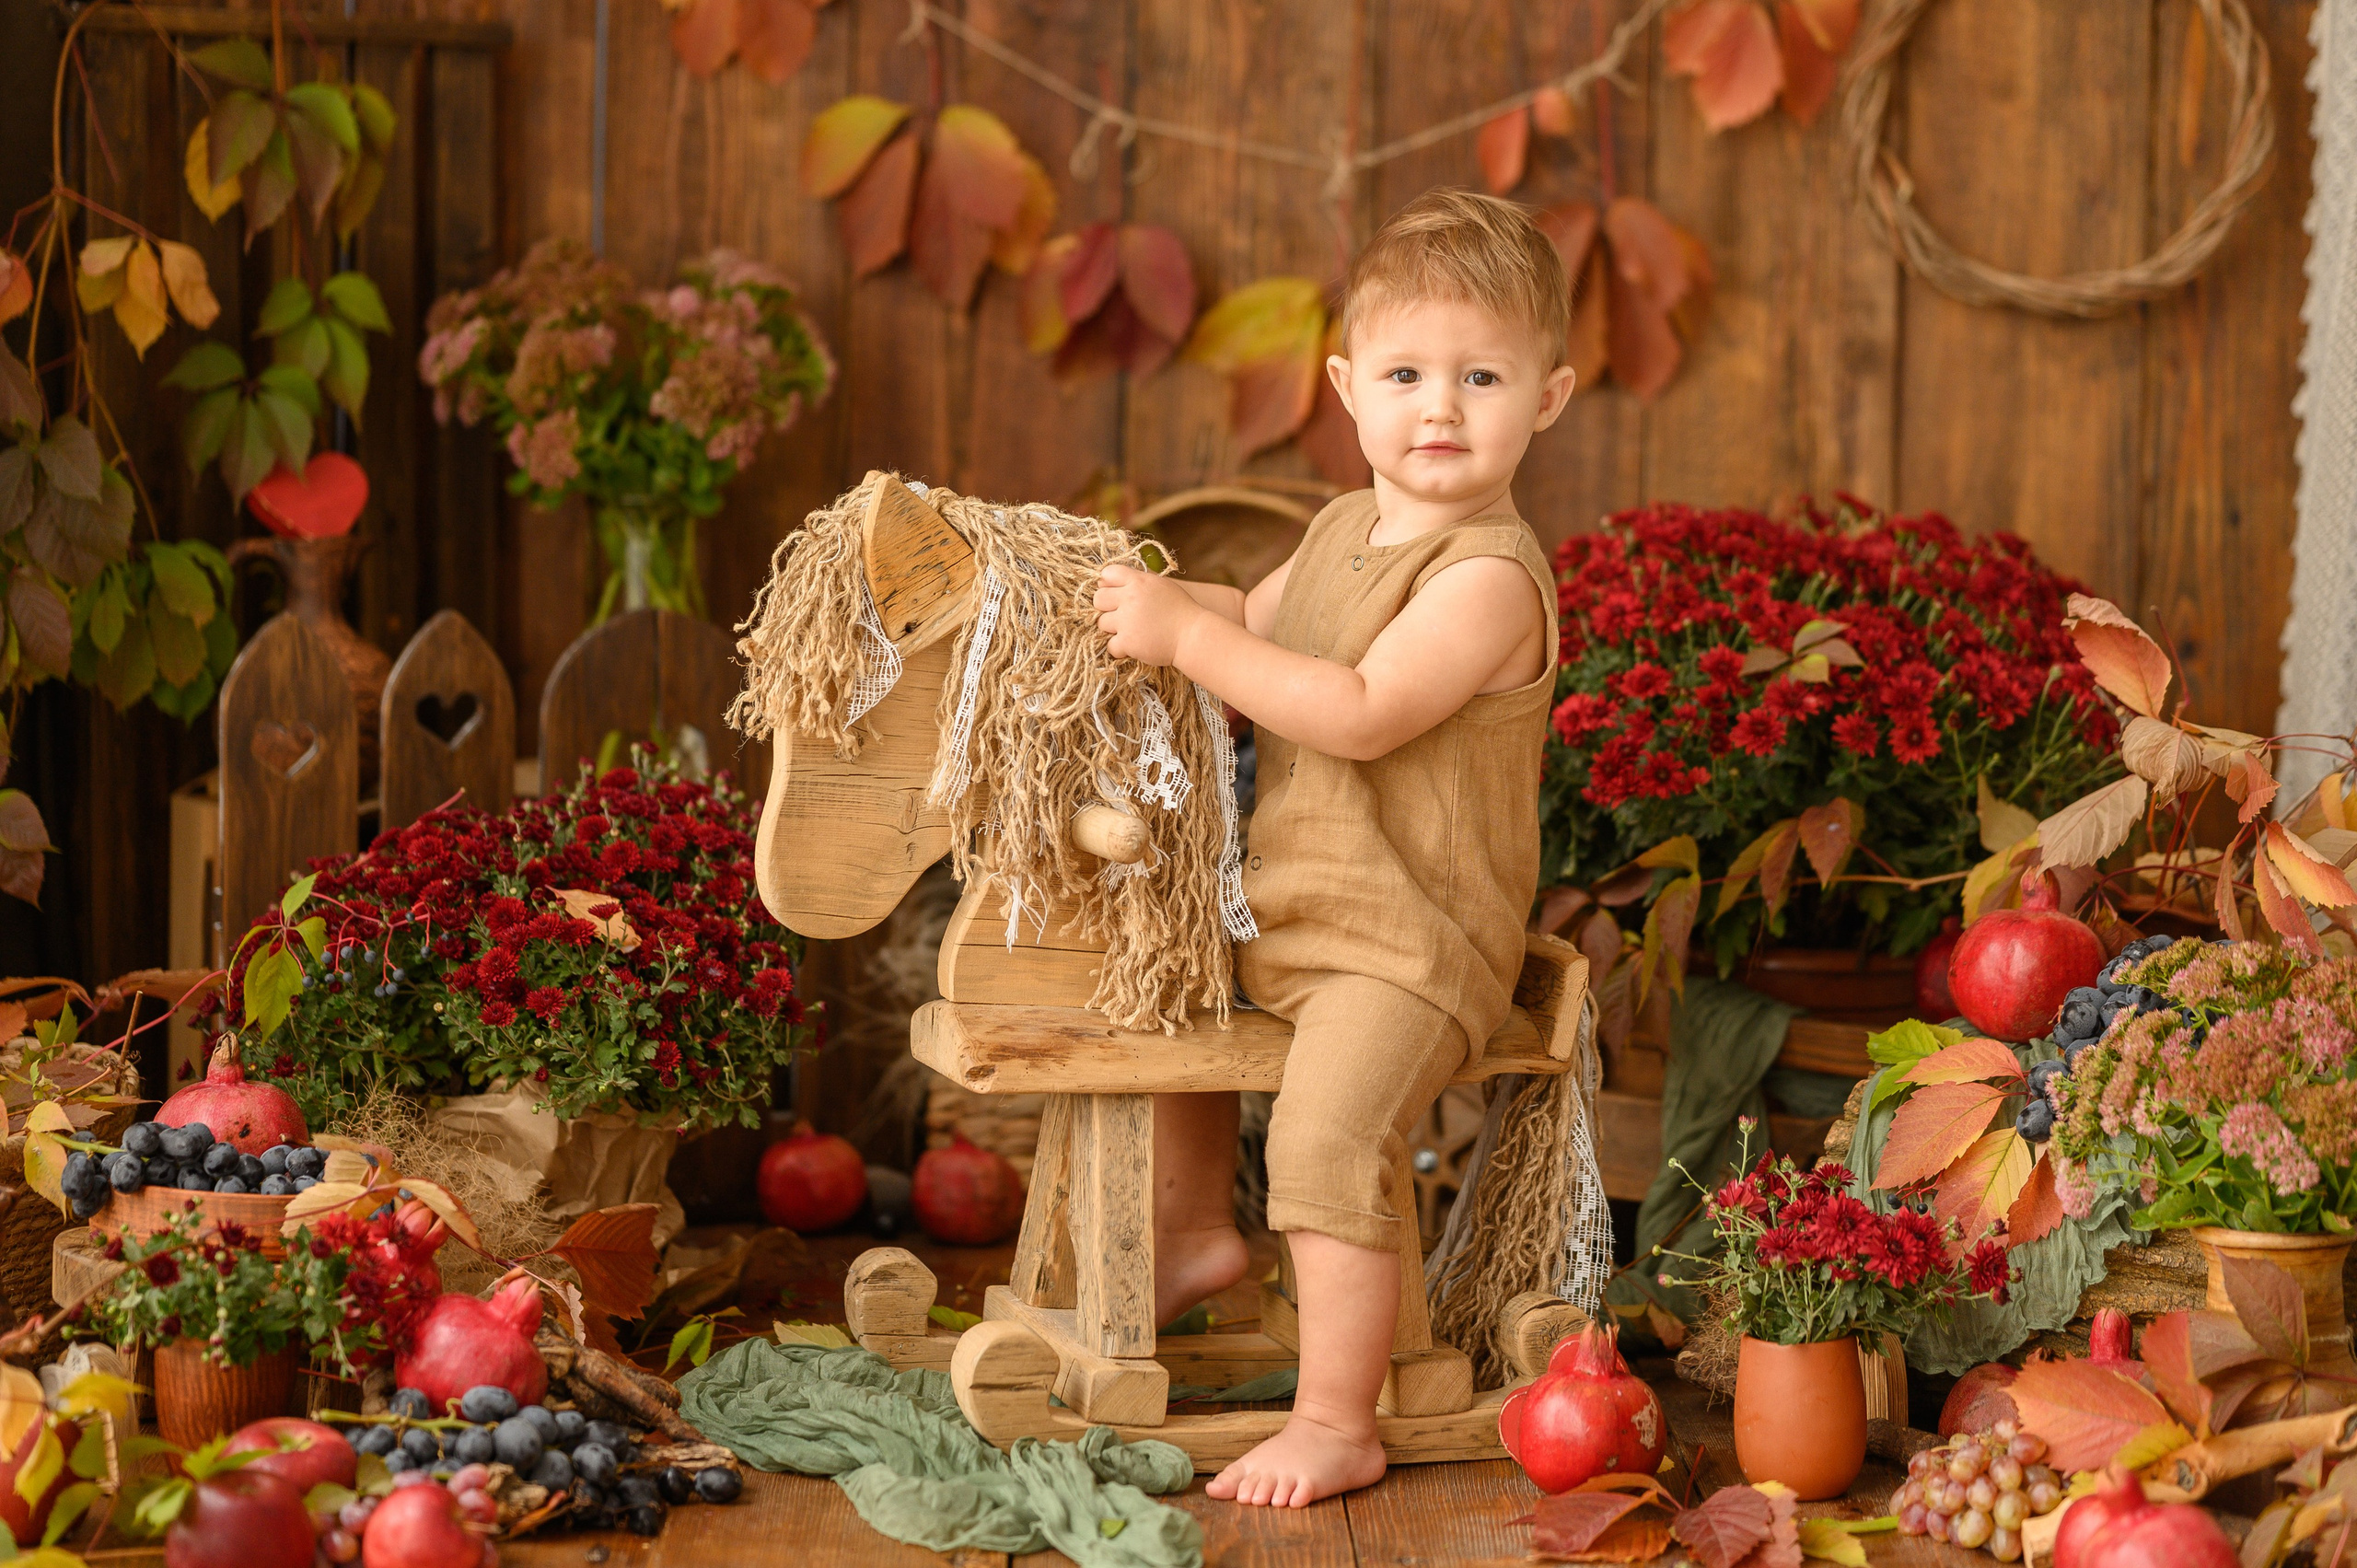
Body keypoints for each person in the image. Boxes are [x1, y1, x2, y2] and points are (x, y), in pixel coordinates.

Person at [1092, 187, 1576, 1507]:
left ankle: (1334, 1419)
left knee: (1323, 1137)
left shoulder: (1485, 578)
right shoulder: (1334, 536)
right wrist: (1116, 602)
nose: (1441, 407)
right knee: (1161, 1007)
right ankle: (1195, 1239)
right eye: (1409, 374)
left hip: (1412, 951)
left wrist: (1193, 645)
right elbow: (1245, 612)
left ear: (1549, 396)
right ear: (1346, 387)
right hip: (1293, 919)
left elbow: (1354, 714)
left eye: (1482, 376)